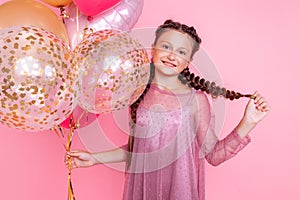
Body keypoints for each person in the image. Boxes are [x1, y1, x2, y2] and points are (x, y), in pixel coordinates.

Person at [65, 19, 270, 200]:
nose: (172, 55)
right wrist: (94, 158)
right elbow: (138, 152)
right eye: (166, 46)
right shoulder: (138, 93)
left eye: (181, 52)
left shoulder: (196, 101)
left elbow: (214, 155)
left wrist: (248, 122)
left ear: (188, 62)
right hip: (143, 190)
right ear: (153, 49)